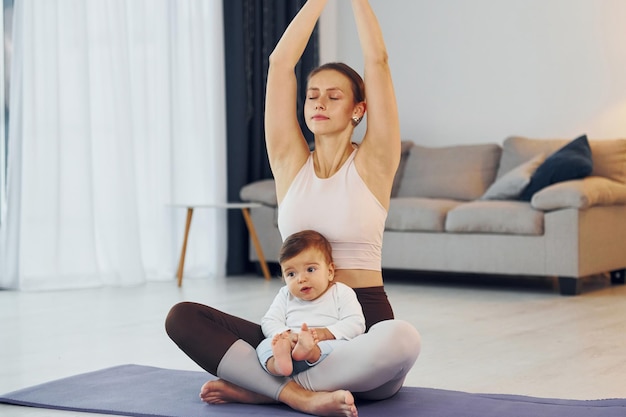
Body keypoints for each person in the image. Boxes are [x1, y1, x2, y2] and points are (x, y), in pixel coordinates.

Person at [165, 1, 421, 416]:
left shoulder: (374, 163)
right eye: (312, 95)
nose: (319, 102)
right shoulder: (290, 164)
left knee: (402, 339)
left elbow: (378, 60)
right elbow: (281, 63)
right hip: (290, 331)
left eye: (333, 96)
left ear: (359, 110)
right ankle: (300, 396)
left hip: (359, 325)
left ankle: (262, 389)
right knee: (182, 316)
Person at [257, 230, 365, 377]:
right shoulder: (285, 295)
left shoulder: (341, 292)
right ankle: (278, 366)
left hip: (323, 348)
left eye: (310, 269)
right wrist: (286, 335)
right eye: (291, 274)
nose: (301, 279)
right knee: (264, 346)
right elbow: (270, 320)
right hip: (290, 346)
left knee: (345, 347)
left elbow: (356, 323)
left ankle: (311, 352)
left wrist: (325, 333)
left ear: (330, 271)